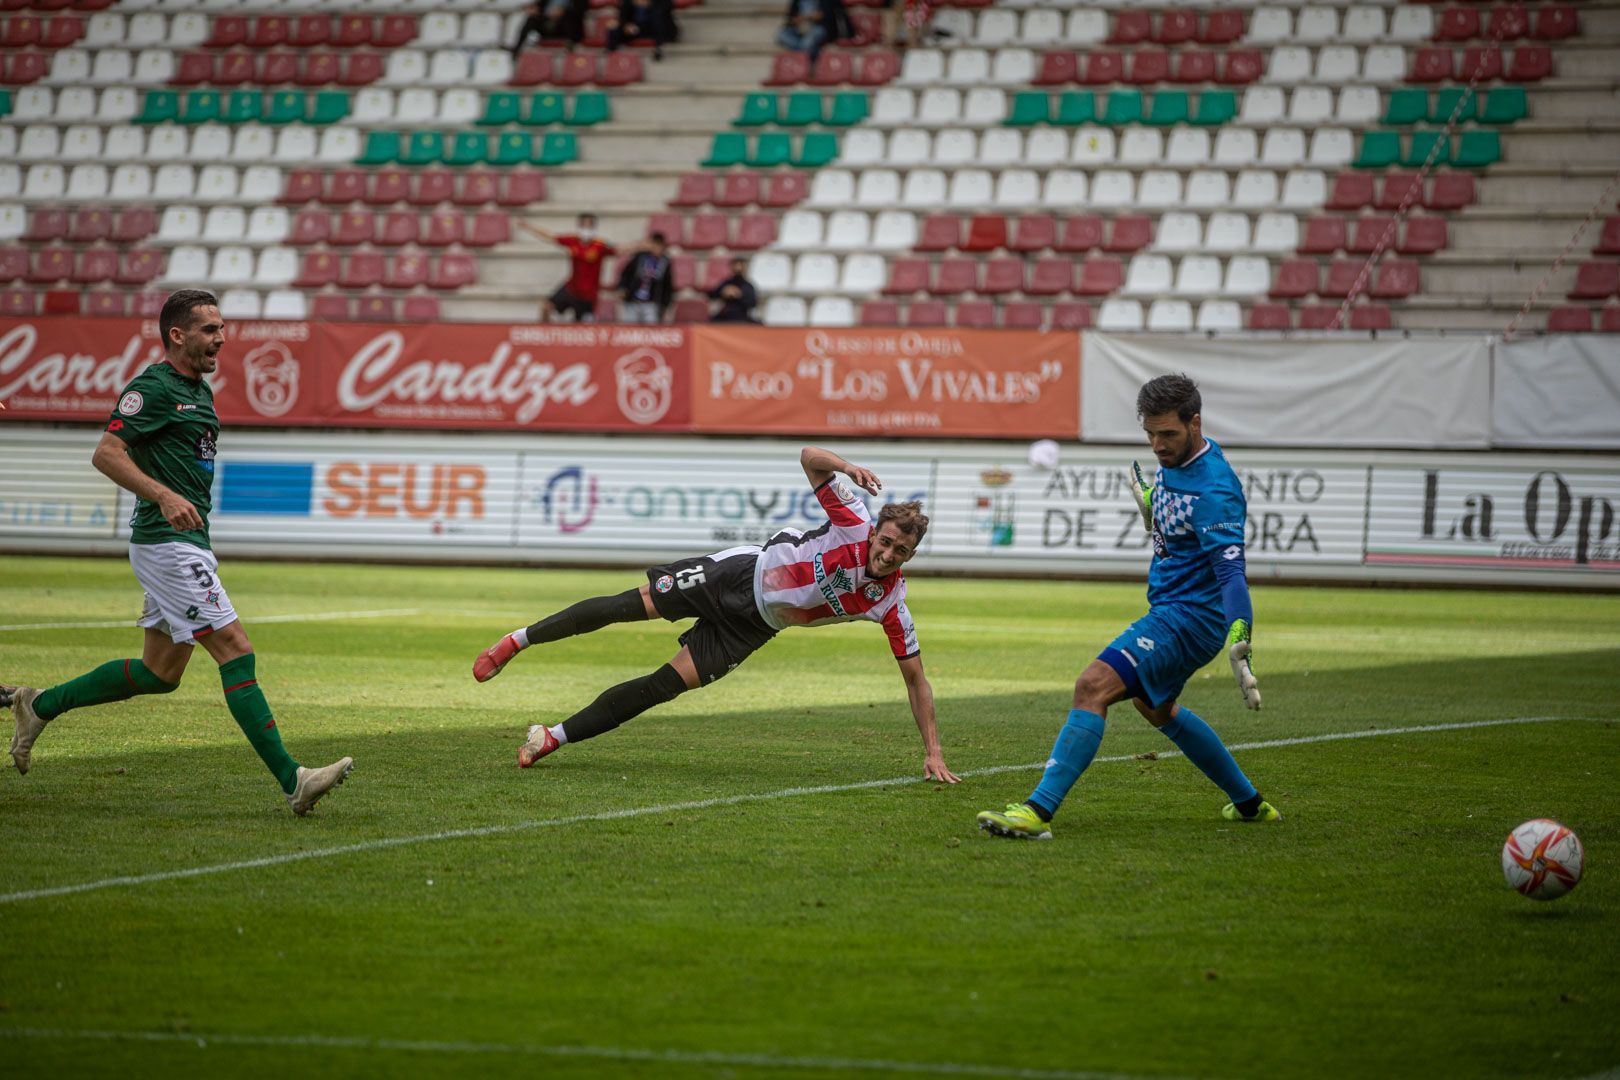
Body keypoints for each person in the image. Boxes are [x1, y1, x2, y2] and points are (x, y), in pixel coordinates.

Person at [0, 290, 353, 815]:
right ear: (177, 335)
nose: (222, 338)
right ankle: (292, 779)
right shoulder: (153, 388)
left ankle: (38, 704)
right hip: (167, 545)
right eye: (210, 329)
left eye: (222, 327)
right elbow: (106, 453)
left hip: (186, 543)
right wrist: (162, 496)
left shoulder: (199, 390)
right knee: (235, 648)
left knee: (159, 674)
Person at [472, 446, 960, 784]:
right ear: (875, 532)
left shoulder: (890, 603)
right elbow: (809, 458)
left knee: (659, 688)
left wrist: (933, 751)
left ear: (909, 558)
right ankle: (517, 641)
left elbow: (916, 680)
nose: (889, 553)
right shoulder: (853, 519)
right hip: (735, 576)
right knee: (625, 606)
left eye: (901, 551)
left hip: (753, 628)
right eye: (887, 541)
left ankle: (551, 737)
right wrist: (848, 467)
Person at [976, 373, 1273, 840]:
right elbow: (1181, 529)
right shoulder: (1176, 457)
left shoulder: (1216, 491)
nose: (1157, 445)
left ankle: (1036, 812)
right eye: (1150, 434)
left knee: (1092, 686)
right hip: (1175, 608)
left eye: (1168, 434)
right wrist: (1156, 508)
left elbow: (1232, 573)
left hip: (1190, 618)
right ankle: (1250, 805)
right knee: (1156, 709)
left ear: (1195, 423)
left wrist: (1241, 637)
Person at [522, 214, 615, 323]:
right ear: (579, 226)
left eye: (589, 226)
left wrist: (637, 246)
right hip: (571, 288)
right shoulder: (572, 241)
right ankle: (545, 333)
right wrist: (527, 226)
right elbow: (550, 237)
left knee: (582, 327)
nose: (586, 229)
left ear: (594, 227)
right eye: (583, 225)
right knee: (546, 306)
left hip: (588, 296)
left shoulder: (600, 246)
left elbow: (619, 249)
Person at [616, 231, 674, 324]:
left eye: (659, 245)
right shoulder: (640, 257)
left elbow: (667, 285)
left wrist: (664, 304)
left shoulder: (665, 262)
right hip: (633, 300)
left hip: (651, 303)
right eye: (654, 244)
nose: (656, 248)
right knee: (630, 328)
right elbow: (626, 273)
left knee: (650, 329)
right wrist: (622, 288)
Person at [777, 0, 849, 63]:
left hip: (821, 28)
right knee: (782, 35)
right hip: (800, 29)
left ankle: (804, 61)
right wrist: (796, 21)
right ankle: (806, 51)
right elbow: (791, 18)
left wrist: (806, 18)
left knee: (809, 40)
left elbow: (826, 15)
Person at [509, 0, 588, 54]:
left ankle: (570, 44)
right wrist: (534, 9)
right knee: (531, 19)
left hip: (566, 27)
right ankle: (517, 48)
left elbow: (581, 10)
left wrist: (563, 10)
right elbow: (540, 6)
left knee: (569, 17)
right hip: (548, 23)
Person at [605, 0, 675, 59]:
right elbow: (623, 15)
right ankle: (611, 58)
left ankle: (658, 49)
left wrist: (650, 4)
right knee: (614, 29)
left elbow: (668, 7)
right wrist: (626, 25)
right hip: (635, 28)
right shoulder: (628, 2)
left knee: (658, 21)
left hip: (653, 28)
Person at [708, 256, 758, 323]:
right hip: (726, 315)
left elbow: (753, 303)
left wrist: (739, 295)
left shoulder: (748, 286)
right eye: (736, 266)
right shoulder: (726, 283)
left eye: (741, 266)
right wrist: (722, 293)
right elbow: (712, 295)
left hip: (742, 316)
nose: (738, 268)